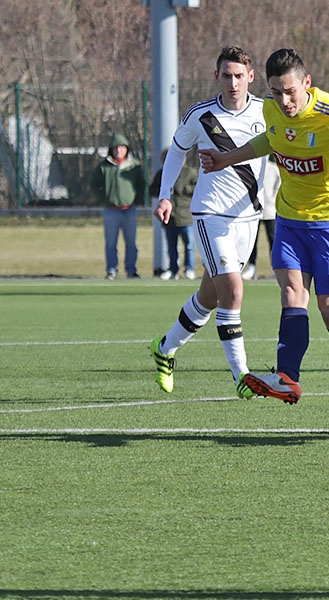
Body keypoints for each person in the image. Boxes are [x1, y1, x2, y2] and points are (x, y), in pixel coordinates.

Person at [199, 48, 329, 435]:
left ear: (307, 84)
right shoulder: (272, 111)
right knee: (292, 294)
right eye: (276, 92)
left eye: (290, 91)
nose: (284, 101)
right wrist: (229, 158)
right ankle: (288, 378)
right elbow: (271, 142)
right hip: (290, 218)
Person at [149, 45, 271, 399]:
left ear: (251, 77)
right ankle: (242, 377)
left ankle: (166, 348)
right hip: (210, 214)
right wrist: (166, 195)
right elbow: (176, 151)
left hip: (249, 216)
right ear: (216, 76)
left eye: (239, 76)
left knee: (210, 297)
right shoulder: (200, 115)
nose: (233, 83)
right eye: (226, 75)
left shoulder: (268, 111)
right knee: (233, 291)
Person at [90, 132, 143, 279]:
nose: (119, 150)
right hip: (111, 211)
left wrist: (136, 199)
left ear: (126, 149)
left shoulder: (134, 166)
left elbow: (141, 185)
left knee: (131, 243)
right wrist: (104, 198)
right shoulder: (104, 167)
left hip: (129, 210)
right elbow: (94, 185)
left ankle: (131, 269)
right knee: (110, 243)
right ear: (111, 150)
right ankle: (112, 269)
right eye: (115, 148)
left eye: (121, 147)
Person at [149, 148, 197, 280]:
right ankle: (173, 270)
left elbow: (198, 189)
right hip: (169, 217)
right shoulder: (162, 174)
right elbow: (152, 190)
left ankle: (189, 269)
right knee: (171, 246)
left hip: (186, 216)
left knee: (189, 245)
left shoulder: (190, 173)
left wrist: (186, 189)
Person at [242, 163, 280, 280]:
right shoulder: (252, 167)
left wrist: (272, 200)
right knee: (252, 241)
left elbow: (278, 187)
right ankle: (251, 267)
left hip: (270, 210)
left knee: (273, 240)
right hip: (253, 211)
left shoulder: (273, 168)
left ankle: (275, 268)